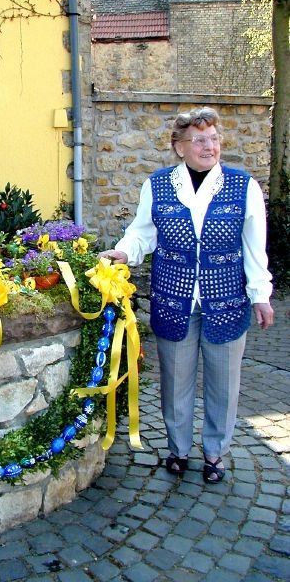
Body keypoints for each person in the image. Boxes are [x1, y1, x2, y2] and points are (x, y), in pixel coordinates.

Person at [100, 107, 274, 484]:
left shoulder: (244, 186)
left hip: (226, 302)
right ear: (179, 147)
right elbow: (142, 232)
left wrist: (261, 294)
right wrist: (124, 252)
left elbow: (254, 248)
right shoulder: (158, 185)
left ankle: (215, 453)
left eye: (214, 138)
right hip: (173, 300)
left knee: (223, 383)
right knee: (175, 381)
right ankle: (178, 449)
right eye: (199, 139)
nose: (209, 146)